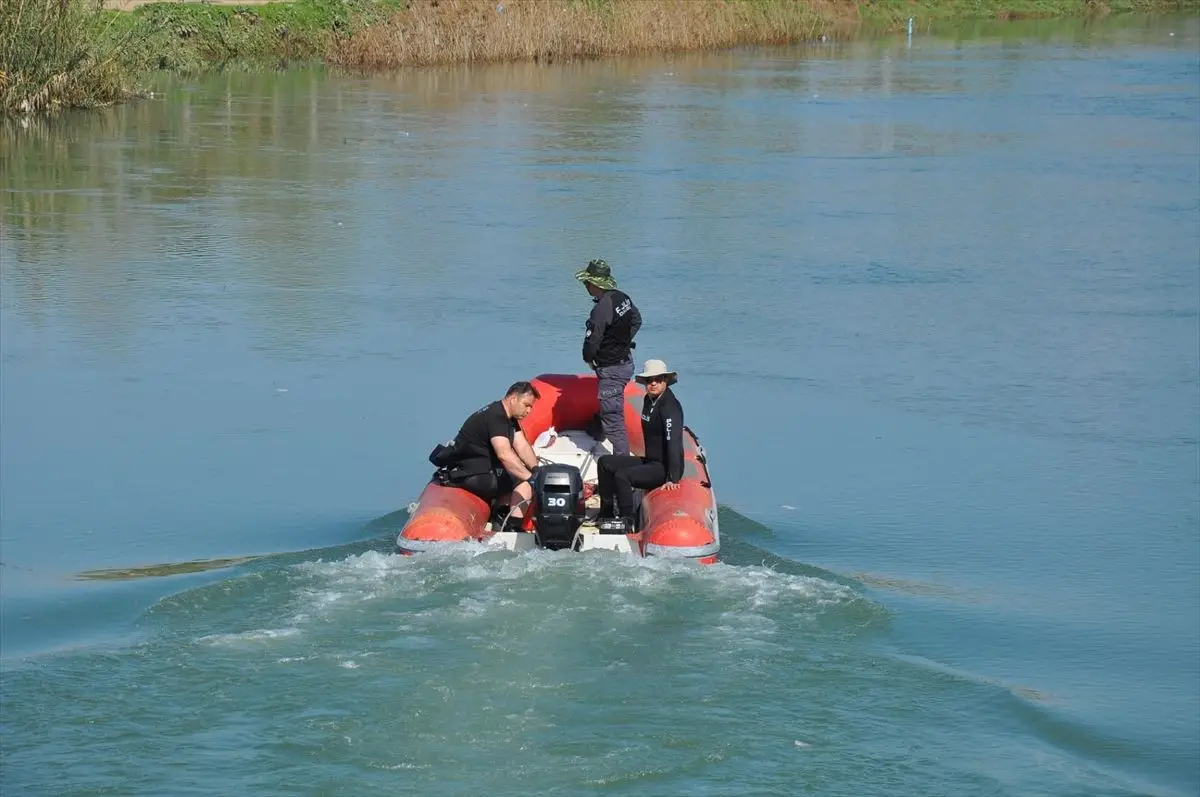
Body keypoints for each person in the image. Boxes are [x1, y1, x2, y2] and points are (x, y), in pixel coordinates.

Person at [435, 381, 542, 523]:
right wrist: (531, 479)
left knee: (515, 477)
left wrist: (536, 470)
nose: (529, 411)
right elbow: (504, 455)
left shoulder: (506, 416)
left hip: (478, 470)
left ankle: (499, 516)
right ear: (513, 399)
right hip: (470, 474)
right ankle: (513, 528)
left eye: (531, 407)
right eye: (526, 405)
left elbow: (521, 446)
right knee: (524, 484)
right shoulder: (497, 417)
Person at [595, 359, 684, 530]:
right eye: (649, 380)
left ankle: (627, 520)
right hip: (650, 461)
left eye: (658, 379)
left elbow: (673, 441)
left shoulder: (669, 407)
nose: (653, 383)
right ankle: (605, 513)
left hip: (662, 468)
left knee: (622, 476)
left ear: (665, 380)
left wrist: (672, 477)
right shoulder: (648, 400)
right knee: (605, 463)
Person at [576, 258, 642, 457]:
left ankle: (621, 464)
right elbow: (637, 320)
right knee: (610, 406)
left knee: (613, 420)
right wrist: (621, 341)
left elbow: (592, 341)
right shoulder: (623, 298)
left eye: (586, 282)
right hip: (625, 361)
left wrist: (589, 357)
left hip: (611, 368)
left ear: (594, 284)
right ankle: (598, 428)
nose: (585, 286)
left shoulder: (601, 309)